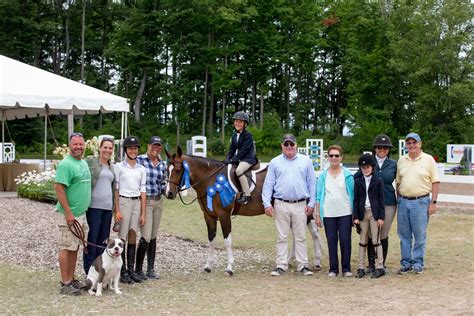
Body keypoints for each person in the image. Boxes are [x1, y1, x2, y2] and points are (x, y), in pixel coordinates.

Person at [262, 133, 316, 277]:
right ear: (282, 146)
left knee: (300, 236)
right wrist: (266, 203)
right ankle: (281, 265)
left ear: (296, 145)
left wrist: (311, 203)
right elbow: (268, 184)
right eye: (286, 144)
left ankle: (303, 265)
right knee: (282, 236)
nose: (289, 147)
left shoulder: (306, 161)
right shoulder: (274, 162)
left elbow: (312, 183)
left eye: (291, 144)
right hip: (281, 203)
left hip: (300, 204)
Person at [396, 132, 440, 275]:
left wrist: (433, 202)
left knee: (420, 234)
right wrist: (399, 200)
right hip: (403, 201)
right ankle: (406, 263)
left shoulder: (428, 160)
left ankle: (418, 263)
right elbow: (398, 182)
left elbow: (435, 182)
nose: (411, 145)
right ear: (406, 145)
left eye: (414, 142)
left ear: (420, 144)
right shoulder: (401, 160)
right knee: (404, 235)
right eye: (409, 143)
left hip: (420, 201)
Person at [54, 132, 91, 295]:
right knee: (66, 247)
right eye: (75, 144)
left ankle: (71, 278)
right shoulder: (65, 164)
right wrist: (69, 213)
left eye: (81, 144)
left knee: (74, 247)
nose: (78, 147)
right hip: (70, 215)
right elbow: (59, 189)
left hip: (80, 214)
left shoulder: (82, 162)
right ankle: (65, 282)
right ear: (70, 145)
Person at [354, 134, 397, 272]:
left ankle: (381, 263)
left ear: (388, 149)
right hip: (371, 203)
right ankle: (371, 264)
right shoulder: (370, 162)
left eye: (385, 147)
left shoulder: (393, 164)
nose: (382, 149)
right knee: (371, 234)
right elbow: (356, 177)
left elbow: (401, 181)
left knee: (382, 233)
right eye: (379, 147)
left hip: (388, 202)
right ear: (375, 148)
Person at [315, 145, 354, 277]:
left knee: (345, 240)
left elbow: (352, 194)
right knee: (331, 240)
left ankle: (346, 268)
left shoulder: (348, 175)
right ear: (328, 158)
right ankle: (333, 269)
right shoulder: (323, 176)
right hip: (328, 213)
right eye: (331, 155)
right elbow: (318, 196)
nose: (334, 158)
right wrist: (317, 214)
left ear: (341, 157)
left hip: (345, 212)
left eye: (336, 155)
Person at [114, 135, 147, 284]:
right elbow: (116, 189)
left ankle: (131, 270)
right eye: (130, 148)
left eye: (135, 148)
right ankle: (122, 271)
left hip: (136, 202)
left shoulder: (141, 169)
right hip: (124, 201)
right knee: (122, 236)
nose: (133, 151)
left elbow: (143, 191)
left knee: (133, 234)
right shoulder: (119, 167)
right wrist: (117, 210)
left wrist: (143, 212)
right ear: (125, 150)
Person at [134, 136, 168, 280]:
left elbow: (163, 182)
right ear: (148, 146)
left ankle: (150, 269)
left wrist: (168, 190)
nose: (156, 148)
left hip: (158, 201)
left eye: (158, 146)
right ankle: (138, 269)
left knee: (153, 236)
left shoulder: (162, 164)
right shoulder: (140, 160)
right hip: (145, 201)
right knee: (145, 236)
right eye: (153, 145)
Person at [83, 137, 115, 275]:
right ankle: (89, 271)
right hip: (94, 208)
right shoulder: (91, 162)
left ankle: (100, 271)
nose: (107, 150)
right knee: (92, 240)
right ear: (100, 148)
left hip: (107, 209)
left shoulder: (112, 167)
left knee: (103, 242)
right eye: (105, 147)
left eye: (110, 148)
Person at [353, 154, 385, 279]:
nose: (365, 169)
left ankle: (379, 266)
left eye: (367, 167)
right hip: (362, 213)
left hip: (374, 213)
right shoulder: (358, 182)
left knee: (376, 240)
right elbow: (356, 200)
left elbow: (381, 200)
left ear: (372, 167)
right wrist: (355, 216)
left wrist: (381, 217)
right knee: (362, 240)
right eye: (363, 167)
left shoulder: (378, 181)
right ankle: (361, 266)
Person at [225, 111, 257, 204]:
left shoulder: (248, 135)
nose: (238, 123)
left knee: (239, 170)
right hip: (241, 158)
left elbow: (243, 151)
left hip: (248, 159)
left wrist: (233, 159)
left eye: (240, 122)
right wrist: (227, 159)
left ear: (245, 124)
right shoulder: (234, 135)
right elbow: (232, 149)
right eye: (236, 121)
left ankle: (247, 196)